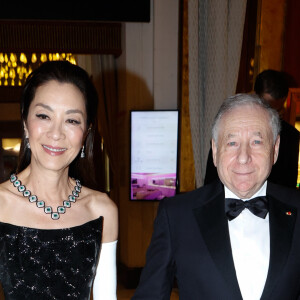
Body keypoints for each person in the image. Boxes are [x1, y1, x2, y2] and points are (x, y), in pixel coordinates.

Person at [132, 94, 300, 299]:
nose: (244, 157)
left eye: (256, 141)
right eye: (232, 143)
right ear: (215, 149)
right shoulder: (177, 216)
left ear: (274, 149)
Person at [0, 61, 118, 299]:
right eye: (44, 115)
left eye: (72, 120)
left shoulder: (102, 209)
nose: (56, 133)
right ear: (25, 123)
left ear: (86, 133)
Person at [205, 70, 300, 188]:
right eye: (266, 105)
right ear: (255, 95)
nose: (243, 158)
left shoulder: (291, 136)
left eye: (277, 109)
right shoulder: (227, 127)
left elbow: (289, 186)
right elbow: (210, 183)